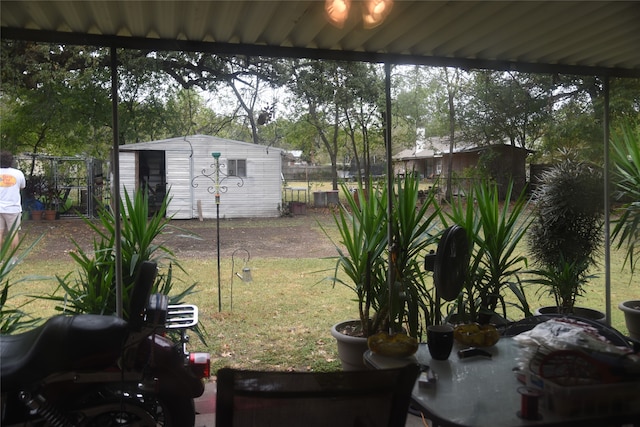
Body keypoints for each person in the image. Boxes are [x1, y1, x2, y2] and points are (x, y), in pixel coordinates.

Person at [0, 151, 26, 252]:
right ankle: (13, 259)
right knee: (13, 233)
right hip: (13, 208)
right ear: (11, 161)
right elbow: (22, 187)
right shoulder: (18, 173)